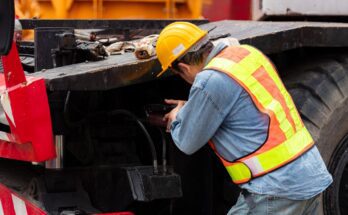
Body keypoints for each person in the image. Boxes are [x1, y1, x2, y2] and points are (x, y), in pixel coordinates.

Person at [155, 22, 333, 214]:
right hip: (308, 175)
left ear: (184, 67)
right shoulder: (247, 54)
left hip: (276, 188)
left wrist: (178, 115)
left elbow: (187, 141)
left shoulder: (210, 79)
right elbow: (241, 103)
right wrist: (193, 106)